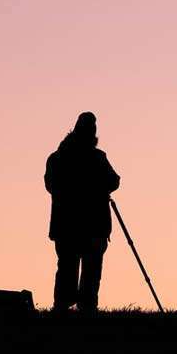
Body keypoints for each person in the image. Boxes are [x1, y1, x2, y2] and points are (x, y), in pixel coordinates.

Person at [45, 112, 120, 314]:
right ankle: (86, 307)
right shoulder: (97, 158)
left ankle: (62, 306)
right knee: (91, 268)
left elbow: (50, 184)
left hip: (66, 225)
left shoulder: (57, 158)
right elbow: (114, 181)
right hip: (94, 225)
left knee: (67, 266)